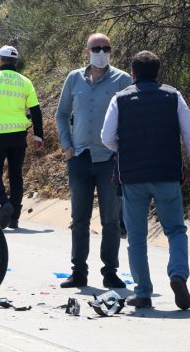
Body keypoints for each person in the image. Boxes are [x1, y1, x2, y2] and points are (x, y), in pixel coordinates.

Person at [101, 51, 190, 309]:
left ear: (133, 73)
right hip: (166, 174)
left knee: (137, 238)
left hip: (133, 177)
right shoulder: (173, 96)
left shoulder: (120, 99)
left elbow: (106, 137)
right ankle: (178, 274)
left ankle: (144, 292)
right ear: (158, 73)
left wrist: (125, 148)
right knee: (176, 230)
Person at [54, 33, 132, 289]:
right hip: (79, 158)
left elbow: (131, 118)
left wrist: (122, 151)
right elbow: (62, 114)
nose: (101, 51)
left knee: (111, 219)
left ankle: (110, 272)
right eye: (96, 48)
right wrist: (67, 146)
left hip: (109, 159)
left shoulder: (122, 80)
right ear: (86, 51)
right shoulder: (73, 78)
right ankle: (79, 272)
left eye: (106, 48)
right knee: (79, 218)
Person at [0, 45, 44, 229]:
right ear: (16, 62)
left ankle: (4, 203)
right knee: (16, 174)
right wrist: (38, 136)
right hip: (19, 135)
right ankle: (15, 218)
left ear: (0, 60)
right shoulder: (25, 81)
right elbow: (36, 110)